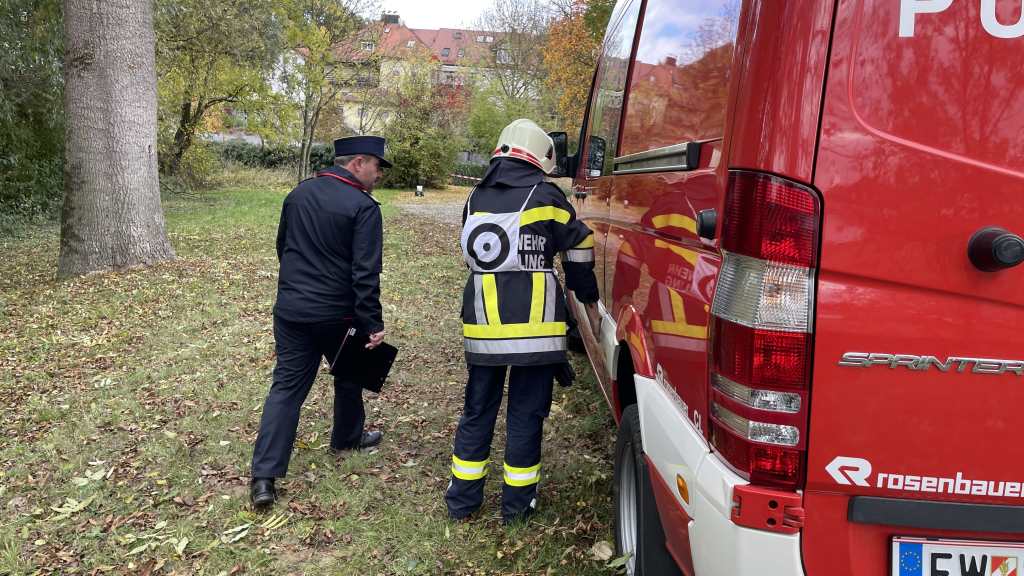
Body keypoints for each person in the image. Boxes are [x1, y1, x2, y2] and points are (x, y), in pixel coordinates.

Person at [446, 119, 600, 524]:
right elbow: (580, 240)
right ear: (540, 157)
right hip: (536, 331)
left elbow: (471, 255)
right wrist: (585, 294)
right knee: (526, 414)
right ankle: (516, 507)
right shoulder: (547, 195)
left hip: (483, 329)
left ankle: (462, 501)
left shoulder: (475, 197)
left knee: (477, 410)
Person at [250, 136, 390, 508]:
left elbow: (283, 247)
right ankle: (347, 438)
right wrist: (373, 322)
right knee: (350, 372)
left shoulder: (298, 194)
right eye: (377, 165)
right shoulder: (363, 206)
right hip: (337, 313)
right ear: (358, 162)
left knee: (286, 389)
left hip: (292, 311)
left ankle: (264, 477)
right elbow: (365, 272)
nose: (379, 174)